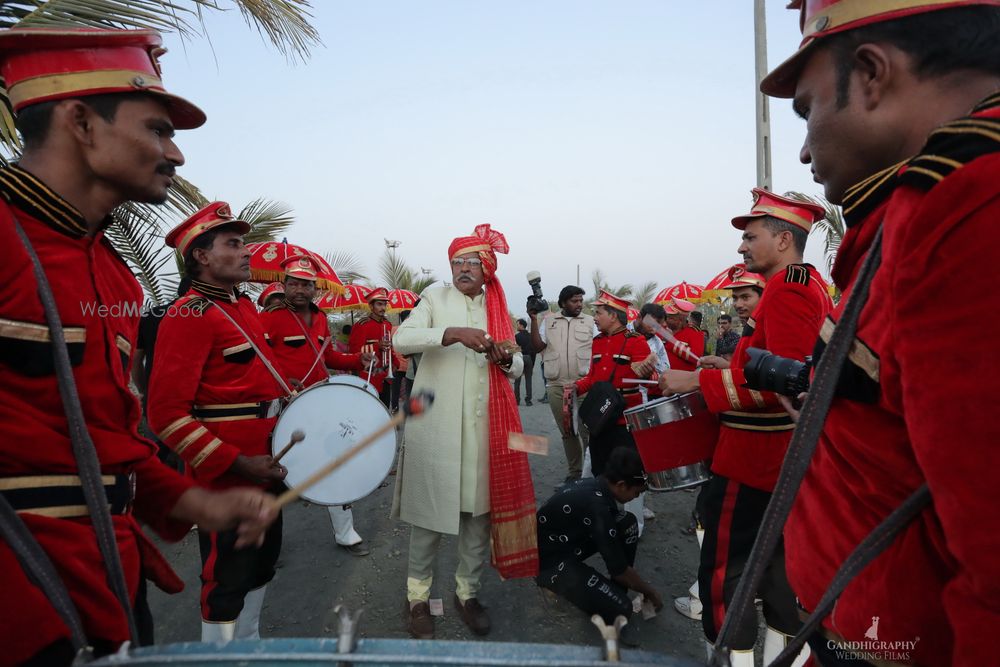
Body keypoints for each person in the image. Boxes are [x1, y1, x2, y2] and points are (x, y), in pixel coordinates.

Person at [0, 29, 275, 664]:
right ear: (80, 121)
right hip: (20, 596)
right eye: (156, 129)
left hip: (108, 574)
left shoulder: (113, 269)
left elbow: (100, 430)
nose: (175, 153)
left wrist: (191, 499)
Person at [763, 3, 1000, 664]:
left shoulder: (970, 201)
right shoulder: (920, 202)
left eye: (808, 110)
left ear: (870, 74)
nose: (806, 148)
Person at [661, 189, 832, 667]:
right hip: (774, 460)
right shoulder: (799, 282)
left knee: (725, 575)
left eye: (750, 237)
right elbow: (767, 367)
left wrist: (698, 378)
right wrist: (726, 363)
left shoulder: (790, 286)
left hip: (756, 460)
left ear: (782, 240)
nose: (740, 248)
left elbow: (792, 383)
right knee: (779, 573)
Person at [148, 202, 290, 642]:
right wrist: (235, 462)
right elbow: (165, 415)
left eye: (244, 242)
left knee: (262, 563)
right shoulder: (188, 315)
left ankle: (249, 645)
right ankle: (220, 655)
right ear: (202, 257)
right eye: (234, 244)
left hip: (270, 461)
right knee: (225, 578)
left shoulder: (245, 309)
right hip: (227, 474)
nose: (248, 252)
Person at [393, 224, 537, 640]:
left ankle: (466, 594)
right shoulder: (434, 298)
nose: (462, 269)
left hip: (485, 431)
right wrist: (452, 333)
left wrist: (504, 359)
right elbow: (402, 339)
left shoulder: (498, 309)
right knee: (428, 519)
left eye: (470, 262)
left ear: (487, 267)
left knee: (477, 519)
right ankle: (417, 598)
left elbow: (518, 364)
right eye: (456, 262)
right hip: (435, 430)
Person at [260, 255, 373, 557]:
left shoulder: (321, 318)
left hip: (321, 402)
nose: (299, 290)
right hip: (284, 405)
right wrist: (282, 385)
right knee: (277, 470)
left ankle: (346, 533)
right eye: (293, 284)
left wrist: (356, 359)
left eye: (306, 285)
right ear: (284, 286)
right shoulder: (270, 317)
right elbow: (259, 362)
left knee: (333, 461)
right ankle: (266, 545)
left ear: (315, 289)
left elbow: (330, 358)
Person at [536, 447, 663, 646]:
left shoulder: (596, 485)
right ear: (621, 485)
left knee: (627, 523)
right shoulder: (597, 507)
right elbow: (619, 569)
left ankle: (613, 591)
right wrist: (649, 591)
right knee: (622, 609)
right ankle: (609, 596)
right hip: (550, 563)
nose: (636, 497)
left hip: (566, 544)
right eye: (636, 492)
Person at [528, 285, 595, 482]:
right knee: (567, 431)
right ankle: (574, 474)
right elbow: (537, 346)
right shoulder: (548, 322)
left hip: (584, 384)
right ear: (563, 302)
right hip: (556, 385)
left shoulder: (591, 322)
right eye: (575, 301)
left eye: (581, 301)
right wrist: (533, 321)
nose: (579, 305)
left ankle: (590, 475)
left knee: (588, 432)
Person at [349, 287, 396, 407]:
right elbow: (354, 352)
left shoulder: (387, 324)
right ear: (371, 306)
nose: (383, 308)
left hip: (385, 376)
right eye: (379, 304)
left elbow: (390, 347)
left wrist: (395, 362)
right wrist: (377, 346)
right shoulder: (362, 325)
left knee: (384, 409)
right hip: (368, 377)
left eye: (385, 304)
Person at [661, 297, 704, 371]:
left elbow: (695, 357)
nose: (666, 320)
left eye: (670, 318)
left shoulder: (695, 333)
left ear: (680, 320)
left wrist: (671, 340)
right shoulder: (662, 330)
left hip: (683, 379)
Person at [513, 318, 536, 404]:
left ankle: (517, 400)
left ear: (522, 325)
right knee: (528, 380)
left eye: (518, 324)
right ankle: (528, 400)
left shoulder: (516, 337)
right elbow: (533, 351)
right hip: (529, 358)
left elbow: (514, 350)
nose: (517, 326)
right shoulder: (530, 336)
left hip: (519, 358)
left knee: (517, 380)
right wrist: (532, 364)